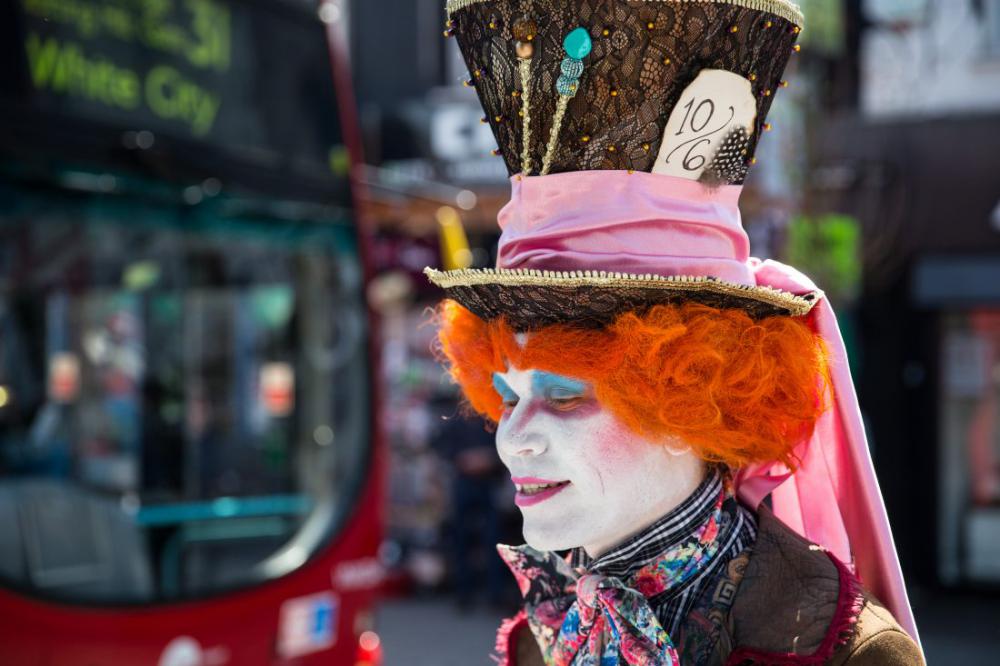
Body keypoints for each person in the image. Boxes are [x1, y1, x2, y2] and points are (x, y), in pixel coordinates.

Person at [428, 0, 924, 664]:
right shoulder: (539, 638)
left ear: (694, 396)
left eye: (565, 395)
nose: (511, 439)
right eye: (508, 396)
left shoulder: (852, 654)